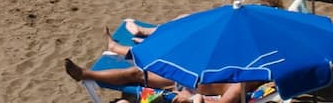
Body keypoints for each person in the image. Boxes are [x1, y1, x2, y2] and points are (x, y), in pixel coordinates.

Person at [64, 57, 260, 103]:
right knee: (135, 73)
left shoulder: (240, 86)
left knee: (136, 75)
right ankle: (85, 74)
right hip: (186, 74)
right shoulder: (250, 63)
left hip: (187, 87)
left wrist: (192, 96)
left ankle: (87, 74)